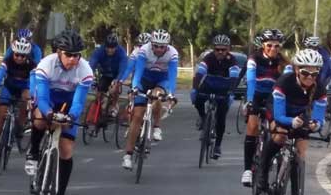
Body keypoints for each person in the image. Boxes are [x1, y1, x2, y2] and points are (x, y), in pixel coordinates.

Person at [25, 29, 94, 195]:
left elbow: (79, 102)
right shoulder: (46, 64)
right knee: (39, 118)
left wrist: (71, 116)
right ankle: (33, 154)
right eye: (69, 55)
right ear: (59, 53)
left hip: (69, 104)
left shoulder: (85, 70)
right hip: (49, 99)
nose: (73, 59)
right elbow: (42, 96)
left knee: (66, 149)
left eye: (77, 55)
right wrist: (48, 112)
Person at [256, 49, 327, 195]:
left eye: (314, 73)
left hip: (300, 115)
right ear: (296, 70)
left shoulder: (320, 88)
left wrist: (315, 124)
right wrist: (290, 122)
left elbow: (319, 118)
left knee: (300, 155)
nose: (310, 77)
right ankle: (261, 179)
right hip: (278, 111)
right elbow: (280, 116)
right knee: (279, 137)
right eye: (305, 73)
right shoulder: (284, 82)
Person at [122, 29, 178, 169]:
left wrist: (171, 93)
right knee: (137, 116)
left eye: (162, 46)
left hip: (162, 80)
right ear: (151, 44)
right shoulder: (144, 50)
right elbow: (138, 70)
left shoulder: (172, 54)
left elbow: (172, 75)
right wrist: (135, 87)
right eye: (156, 46)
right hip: (144, 79)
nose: (158, 49)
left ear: (167, 46)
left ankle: (156, 127)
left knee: (157, 94)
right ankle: (127, 155)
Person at [241, 28, 291, 187]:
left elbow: (287, 83)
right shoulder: (254, 59)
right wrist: (249, 101)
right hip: (255, 94)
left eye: (277, 46)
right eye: (269, 45)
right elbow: (250, 80)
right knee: (253, 126)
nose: (273, 49)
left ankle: (270, 157)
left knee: (277, 128)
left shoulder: (284, 63)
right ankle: (247, 170)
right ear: (263, 45)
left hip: (272, 97)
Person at [190, 34, 240, 159]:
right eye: (217, 49)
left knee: (221, 117)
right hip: (209, 85)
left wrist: (232, 92)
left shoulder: (232, 60)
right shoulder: (209, 58)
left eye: (223, 49)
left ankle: (217, 146)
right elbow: (200, 74)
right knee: (198, 100)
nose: (220, 52)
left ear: (228, 49)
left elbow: (234, 77)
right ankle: (203, 117)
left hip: (223, 88)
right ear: (214, 49)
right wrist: (194, 89)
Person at [0, 38, 36, 161]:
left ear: (27, 56)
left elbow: (33, 81)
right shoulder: (7, 61)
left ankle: (20, 126)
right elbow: (0, 74)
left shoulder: (31, 64)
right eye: (17, 55)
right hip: (9, 87)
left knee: (26, 99)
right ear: (13, 53)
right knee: (2, 115)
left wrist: (32, 94)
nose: (19, 58)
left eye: (22, 56)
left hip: (23, 88)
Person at [87, 33, 128, 117]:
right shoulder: (99, 51)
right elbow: (92, 64)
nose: (110, 50)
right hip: (105, 75)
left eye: (112, 48)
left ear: (116, 47)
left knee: (115, 89)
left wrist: (118, 80)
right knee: (99, 92)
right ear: (105, 46)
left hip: (116, 75)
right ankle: (99, 107)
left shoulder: (121, 53)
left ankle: (114, 105)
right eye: (108, 47)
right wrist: (90, 76)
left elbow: (123, 68)